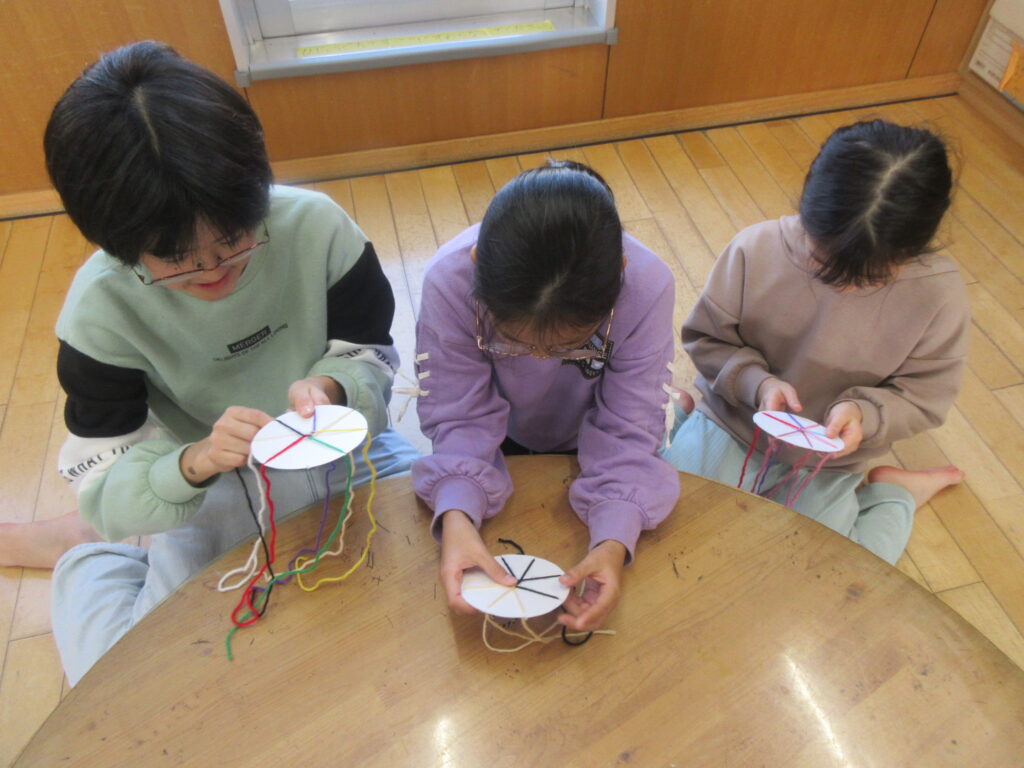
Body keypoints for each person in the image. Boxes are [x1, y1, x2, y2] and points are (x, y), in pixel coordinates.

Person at [4, 41, 416, 684]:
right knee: (136, 689)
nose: (213, 270)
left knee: (442, 548)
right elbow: (105, 475)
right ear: (116, 243)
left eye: (233, 238)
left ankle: (115, 535)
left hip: (342, 451)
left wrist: (335, 386)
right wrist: (194, 462)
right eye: (174, 259)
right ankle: (89, 556)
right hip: (209, 490)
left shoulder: (316, 228)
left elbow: (371, 355)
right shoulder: (99, 313)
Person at [663, 119, 968, 565]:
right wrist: (757, 384)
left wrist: (864, 414)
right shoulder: (755, 249)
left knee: (824, 571)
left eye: (873, 278)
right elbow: (707, 338)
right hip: (734, 421)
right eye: (822, 262)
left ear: (915, 248)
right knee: (662, 518)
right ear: (807, 206)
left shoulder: (939, 294)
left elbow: (925, 396)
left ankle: (894, 493)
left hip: (830, 461)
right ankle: (686, 423)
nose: (847, 288)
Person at [412, 160, 680, 632]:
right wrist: (457, 513)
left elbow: (629, 425)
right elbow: (459, 415)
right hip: (495, 440)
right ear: (475, 266)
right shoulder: (449, 281)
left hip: (597, 447)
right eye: (514, 342)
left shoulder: (647, 286)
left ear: (620, 276)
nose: (539, 359)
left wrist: (613, 538)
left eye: (567, 345)